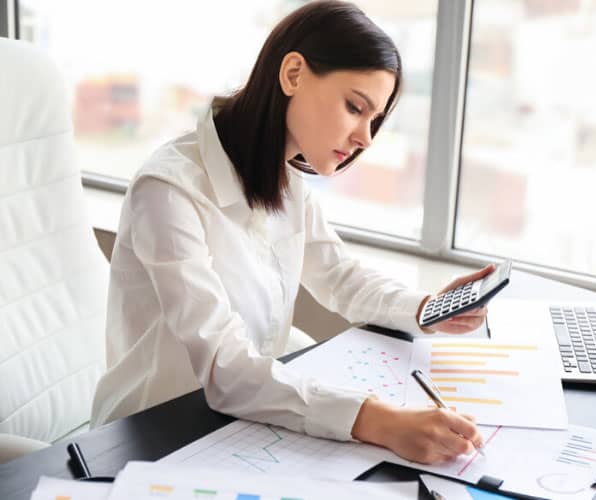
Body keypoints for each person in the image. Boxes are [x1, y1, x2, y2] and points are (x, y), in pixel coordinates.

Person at [91, 1, 493, 465]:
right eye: (355, 107)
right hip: (151, 439)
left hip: (243, 424)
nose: (366, 138)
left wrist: (427, 309)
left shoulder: (285, 180)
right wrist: (379, 421)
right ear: (294, 74)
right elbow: (225, 368)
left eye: (375, 120)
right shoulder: (168, 191)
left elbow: (341, 277)